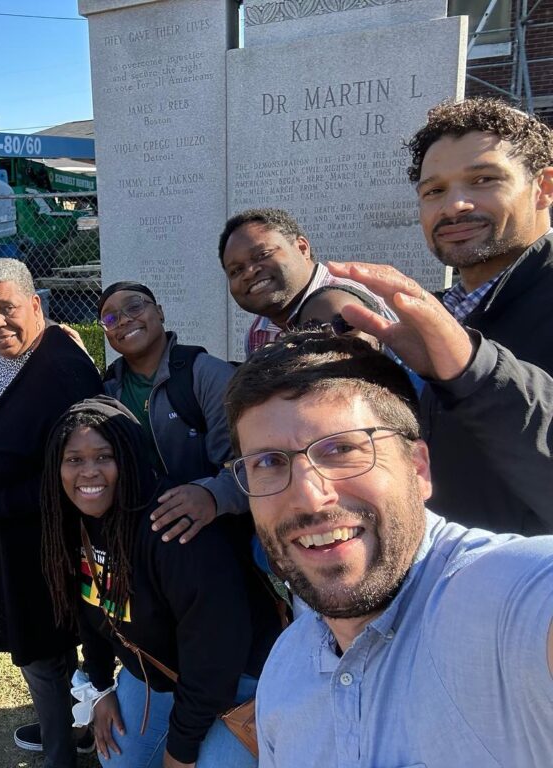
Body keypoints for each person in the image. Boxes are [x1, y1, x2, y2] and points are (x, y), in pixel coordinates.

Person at [223, 330, 553, 766]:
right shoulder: (285, 669)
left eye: (341, 448)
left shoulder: (503, 599)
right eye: (267, 462)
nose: (307, 495)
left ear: (418, 468)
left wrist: (480, 373)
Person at [39, 397, 280, 768]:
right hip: (160, 671)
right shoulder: (73, 524)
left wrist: (179, 753)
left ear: (129, 458)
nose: (88, 472)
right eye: (74, 460)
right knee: (119, 760)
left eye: (104, 457)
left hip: (238, 676)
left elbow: (214, 660)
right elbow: (93, 610)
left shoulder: (171, 528)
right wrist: (100, 688)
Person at [0, 258, 103, 767]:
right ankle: (66, 725)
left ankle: (62, 752)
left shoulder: (62, 369)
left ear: (36, 305)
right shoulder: (3, 354)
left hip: (43, 544)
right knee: (41, 654)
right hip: (5, 540)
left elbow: (83, 476)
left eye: (8, 309)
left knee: (42, 654)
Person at [404, 96, 553, 533]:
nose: (454, 206)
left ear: (544, 187)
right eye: (434, 191)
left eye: (483, 179)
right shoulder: (436, 313)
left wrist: (472, 367)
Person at [98, 281, 246, 543]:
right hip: (141, 535)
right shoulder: (108, 390)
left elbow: (250, 465)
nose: (123, 320)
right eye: (110, 318)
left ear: (160, 312)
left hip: (213, 531)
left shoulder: (206, 375)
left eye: (134, 306)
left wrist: (212, 495)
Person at [217, 208, 392, 355]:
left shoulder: (342, 303)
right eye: (236, 270)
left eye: (263, 254)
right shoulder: (257, 333)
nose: (249, 272)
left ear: (302, 248)